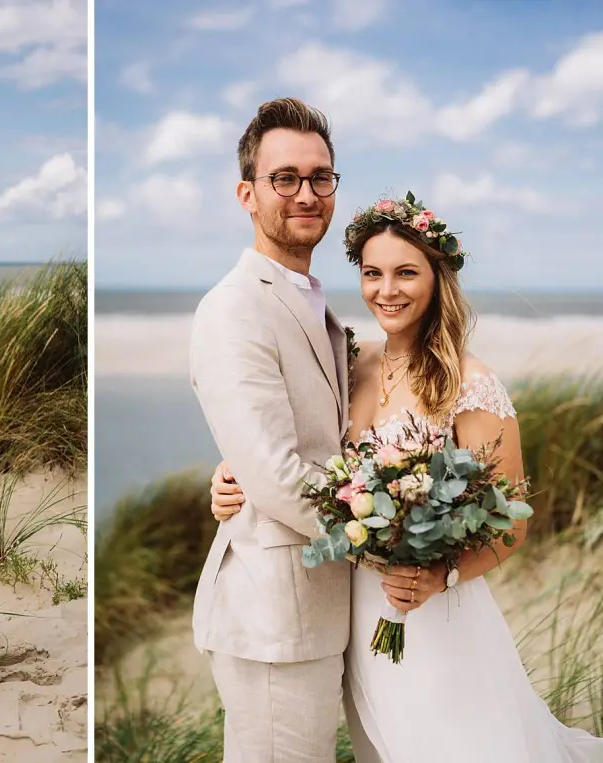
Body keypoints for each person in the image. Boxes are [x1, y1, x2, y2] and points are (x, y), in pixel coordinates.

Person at [208, 194, 603, 760]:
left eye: (406, 273)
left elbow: (511, 524)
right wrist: (234, 476)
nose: (386, 290)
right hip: (353, 614)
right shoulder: (349, 362)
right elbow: (295, 448)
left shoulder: (471, 384)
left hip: (438, 618)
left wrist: (441, 576)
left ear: (437, 279)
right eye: (372, 273)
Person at [187, 97, 355, 762]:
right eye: (284, 178)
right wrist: (389, 534)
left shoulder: (311, 301)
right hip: (274, 617)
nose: (306, 194)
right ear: (247, 194)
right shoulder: (233, 308)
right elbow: (278, 476)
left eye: (320, 177)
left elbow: (320, 443)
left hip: (319, 609)